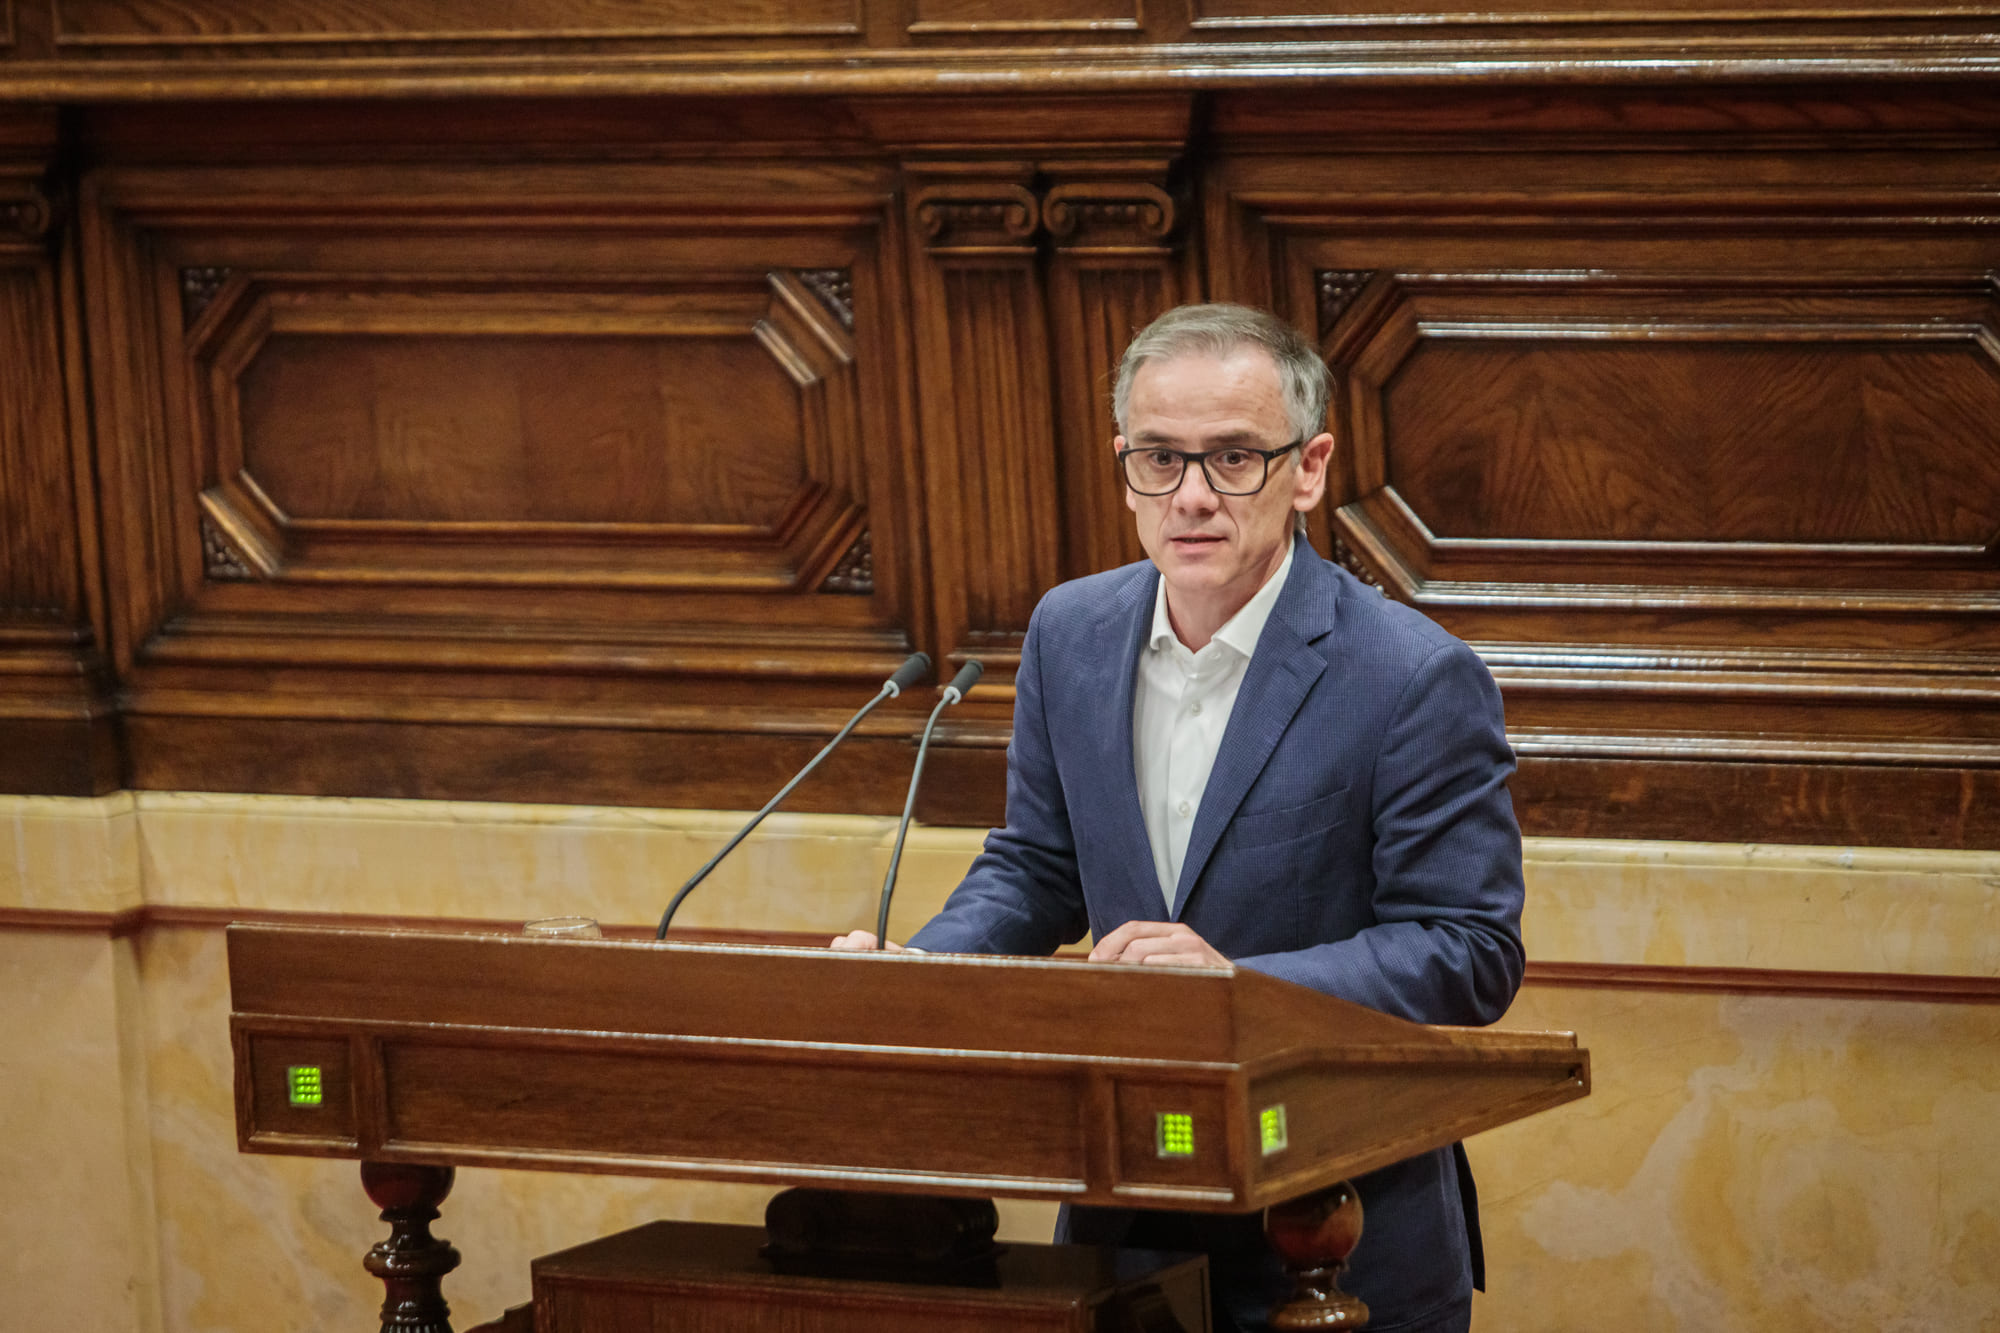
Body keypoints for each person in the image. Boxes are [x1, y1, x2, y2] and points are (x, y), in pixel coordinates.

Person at [833, 302, 1524, 1333]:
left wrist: (1233, 986)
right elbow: (1036, 868)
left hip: (1335, 1233)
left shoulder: (1411, 676)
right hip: (1127, 1217)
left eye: (1234, 458)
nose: (1191, 496)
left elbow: (1468, 951)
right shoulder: (1070, 632)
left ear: (1309, 466)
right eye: (1158, 459)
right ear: (1123, 463)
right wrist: (923, 979)